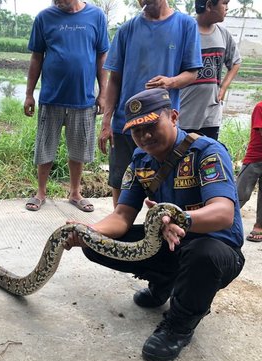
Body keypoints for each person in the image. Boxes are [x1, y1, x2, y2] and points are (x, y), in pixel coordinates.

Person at [65, 88, 244, 361]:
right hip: (169, 243)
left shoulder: (207, 152)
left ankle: (179, 326)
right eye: (137, 130)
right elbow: (122, 216)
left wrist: (179, 218)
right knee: (94, 245)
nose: (145, 136)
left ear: (173, 117)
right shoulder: (140, 161)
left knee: (202, 254)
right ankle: (164, 282)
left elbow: (223, 214)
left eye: (151, 125)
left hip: (216, 249)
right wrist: (88, 231)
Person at [100, 0, 202, 208]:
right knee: (120, 180)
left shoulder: (185, 25)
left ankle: (161, 229)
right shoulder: (127, 29)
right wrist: (106, 121)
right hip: (125, 124)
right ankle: (121, 229)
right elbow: (115, 80)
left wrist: (170, 82)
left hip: (161, 124)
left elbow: (192, 72)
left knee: (164, 182)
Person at [24, 0, 110, 212]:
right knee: (45, 147)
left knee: (79, 149)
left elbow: (102, 57)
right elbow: (36, 57)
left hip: (83, 98)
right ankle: (41, 193)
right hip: (51, 97)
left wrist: (103, 94)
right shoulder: (44, 17)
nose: (57, 1)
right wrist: (29, 94)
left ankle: (75, 193)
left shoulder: (96, 16)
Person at [179, 0, 241, 140]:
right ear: (208, 6)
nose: (227, 8)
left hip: (211, 114)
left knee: (208, 156)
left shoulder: (223, 34)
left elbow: (236, 62)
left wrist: (223, 87)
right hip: (184, 113)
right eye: (224, 3)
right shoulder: (186, 32)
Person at [237, 101, 262, 242]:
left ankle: (259, 225)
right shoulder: (260, 107)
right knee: (241, 193)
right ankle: (223, 221)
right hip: (255, 158)